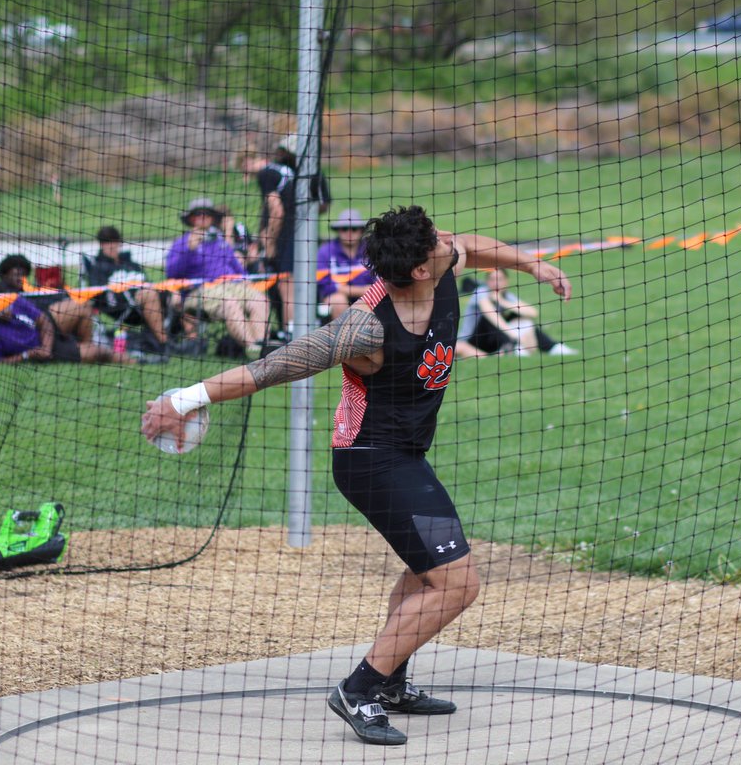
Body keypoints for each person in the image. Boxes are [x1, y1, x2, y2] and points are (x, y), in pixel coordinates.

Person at [143, 205, 572, 746]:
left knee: (427, 571)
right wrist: (182, 400)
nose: (450, 242)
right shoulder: (365, 329)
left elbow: (475, 243)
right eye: (440, 241)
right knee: (458, 584)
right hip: (371, 461)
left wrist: (535, 266)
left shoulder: (440, 262)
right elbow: (270, 368)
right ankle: (360, 688)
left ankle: (391, 683)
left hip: (406, 455)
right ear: (419, 270)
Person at [240, 135, 332, 330]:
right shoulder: (301, 172)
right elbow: (321, 205)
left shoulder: (268, 173)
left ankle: (290, 335)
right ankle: (296, 330)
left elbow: (277, 210)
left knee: (286, 285)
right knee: (298, 285)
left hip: (287, 237)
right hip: (305, 234)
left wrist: (269, 242)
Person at [0, 254, 132, 365]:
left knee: (84, 310)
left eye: (23, 275)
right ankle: (91, 351)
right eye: (17, 273)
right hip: (41, 345)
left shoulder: (17, 298)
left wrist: (45, 347)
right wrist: (27, 355)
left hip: (46, 335)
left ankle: (132, 359)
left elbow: (43, 320)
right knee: (100, 352)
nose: (21, 278)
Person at [164, 198, 271, 359]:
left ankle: (263, 345)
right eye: (198, 215)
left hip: (232, 286)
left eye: (206, 215)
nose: (202, 218)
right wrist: (189, 250)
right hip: (199, 292)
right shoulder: (181, 243)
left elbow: (238, 269)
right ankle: (253, 349)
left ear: (212, 218)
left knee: (259, 299)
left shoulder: (220, 241)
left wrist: (246, 280)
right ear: (191, 219)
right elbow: (171, 273)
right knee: (228, 302)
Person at [457, 268, 577, 357]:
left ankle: (553, 348)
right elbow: (490, 314)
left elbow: (533, 313)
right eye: (492, 279)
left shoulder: (507, 296)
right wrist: (515, 336)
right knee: (490, 319)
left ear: (506, 281)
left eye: (499, 279)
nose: (496, 283)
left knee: (523, 319)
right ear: (487, 282)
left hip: (495, 341)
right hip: (474, 340)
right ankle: (516, 348)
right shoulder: (481, 292)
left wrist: (503, 302)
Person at [87, 225, 170, 352]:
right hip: (121, 305)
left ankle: (190, 340)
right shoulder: (98, 267)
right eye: (106, 242)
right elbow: (97, 293)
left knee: (173, 295)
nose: (111, 246)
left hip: (144, 299)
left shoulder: (131, 264)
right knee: (150, 295)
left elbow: (147, 281)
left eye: (114, 241)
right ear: (101, 245)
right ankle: (165, 343)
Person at [316, 208, 375, 322]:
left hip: (368, 298)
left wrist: (344, 289)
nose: (349, 233)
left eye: (354, 229)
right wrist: (362, 290)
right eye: (344, 229)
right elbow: (326, 285)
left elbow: (379, 281)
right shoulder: (325, 251)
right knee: (339, 300)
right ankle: (344, 339)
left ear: (361, 231)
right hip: (334, 299)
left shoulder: (371, 250)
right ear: (338, 231)